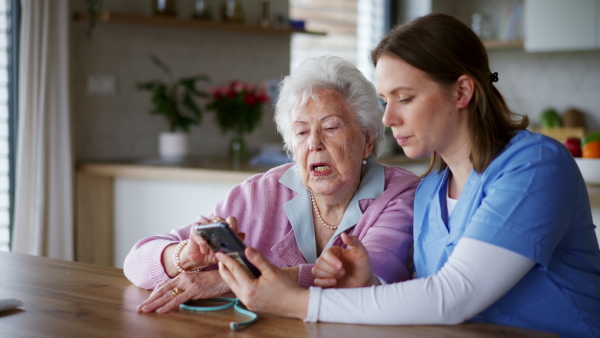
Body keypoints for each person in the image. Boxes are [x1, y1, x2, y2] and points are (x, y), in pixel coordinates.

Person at [215, 14, 600, 337]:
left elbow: (453, 296)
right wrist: (367, 285)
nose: (387, 118)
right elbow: (426, 299)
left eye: (405, 98)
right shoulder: (431, 190)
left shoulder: (533, 166)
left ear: (462, 91)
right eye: (385, 101)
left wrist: (293, 300)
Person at [124, 56, 420, 313]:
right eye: (301, 133)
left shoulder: (399, 195)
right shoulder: (259, 194)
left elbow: (370, 283)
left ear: (367, 140)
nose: (314, 143)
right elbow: (136, 262)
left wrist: (236, 279)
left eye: (330, 127)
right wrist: (184, 256)